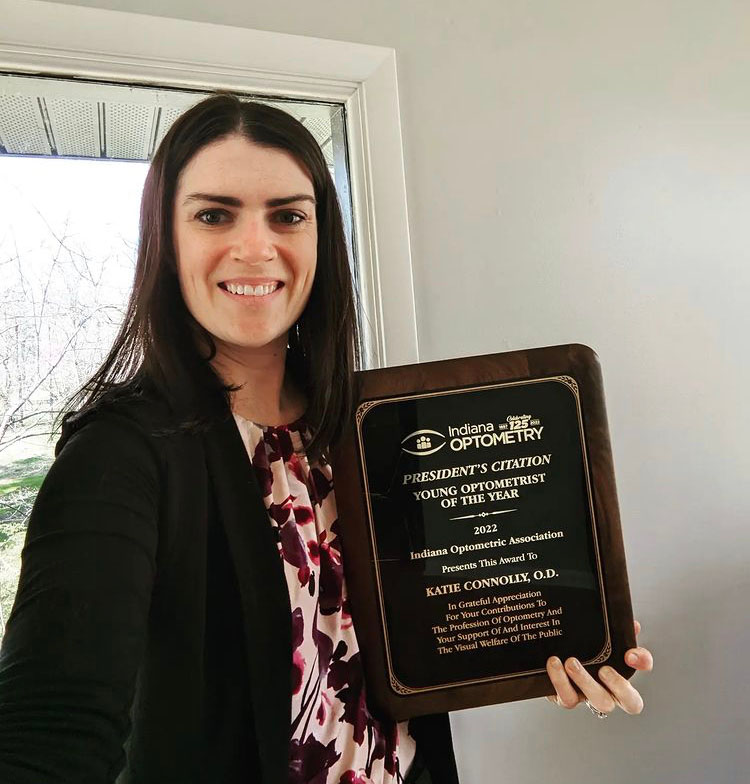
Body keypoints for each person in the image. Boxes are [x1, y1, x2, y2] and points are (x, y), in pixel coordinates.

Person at [0, 94, 652, 784]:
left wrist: (564, 633)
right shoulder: (118, 452)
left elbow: (445, 611)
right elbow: (51, 720)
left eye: (288, 215)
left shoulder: (372, 433)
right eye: (213, 214)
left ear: (321, 238)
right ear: (166, 240)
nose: (256, 246)